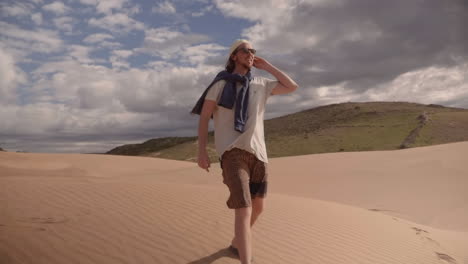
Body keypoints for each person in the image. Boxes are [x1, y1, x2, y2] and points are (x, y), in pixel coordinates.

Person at [191, 39, 298, 264]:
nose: (250, 54)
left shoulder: (261, 83)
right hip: (232, 153)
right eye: (245, 50)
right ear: (234, 56)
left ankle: (236, 243)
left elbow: (291, 86)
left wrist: (266, 65)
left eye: (253, 51)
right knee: (244, 209)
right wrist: (202, 151)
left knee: (258, 207)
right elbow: (203, 118)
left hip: (259, 154)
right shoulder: (219, 85)